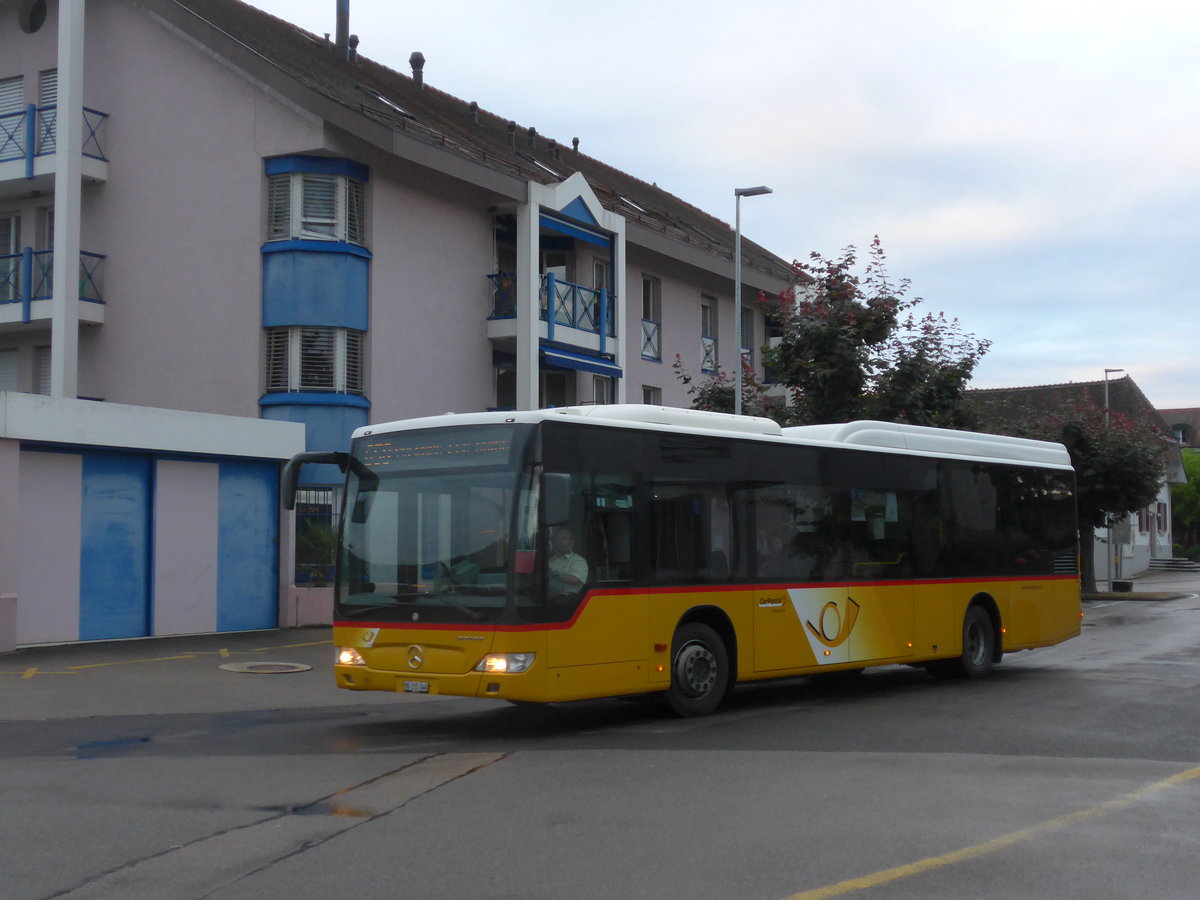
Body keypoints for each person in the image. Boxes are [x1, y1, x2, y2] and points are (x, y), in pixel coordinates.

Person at [547, 526, 589, 595]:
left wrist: (553, 574)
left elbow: (575, 580)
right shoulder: (550, 560)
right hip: (548, 598)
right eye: (557, 539)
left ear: (572, 542)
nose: (559, 542)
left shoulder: (578, 561)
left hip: (569, 600)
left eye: (563, 539)